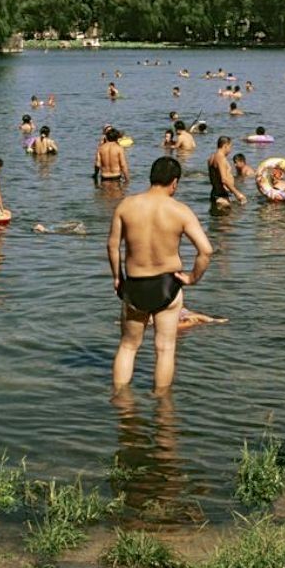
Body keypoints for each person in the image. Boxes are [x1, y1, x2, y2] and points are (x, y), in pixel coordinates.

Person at [107, 157, 214, 392]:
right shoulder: (180, 211)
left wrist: (117, 278)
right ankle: (161, 404)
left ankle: (121, 403)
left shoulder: (126, 205)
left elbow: (113, 246)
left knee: (128, 346)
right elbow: (206, 250)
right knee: (165, 348)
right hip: (167, 284)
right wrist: (192, 277)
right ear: (174, 182)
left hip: (135, 284)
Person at [207, 136, 247, 207]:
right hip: (221, 196)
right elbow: (224, 179)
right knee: (229, 216)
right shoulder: (220, 158)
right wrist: (237, 194)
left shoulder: (211, 158)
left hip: (215, 193)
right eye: (230, 147)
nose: (230, 150)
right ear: (225, 146)